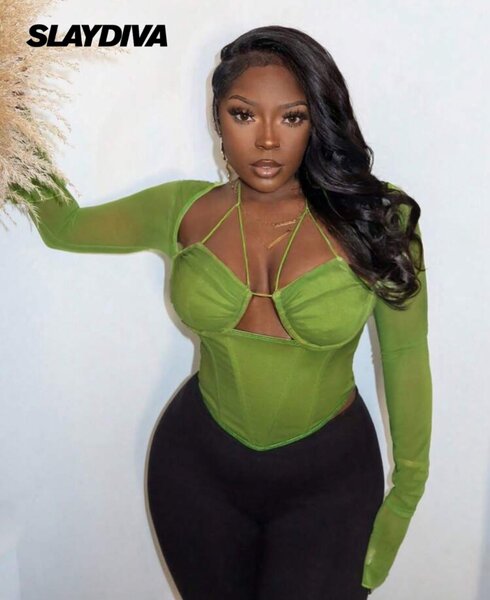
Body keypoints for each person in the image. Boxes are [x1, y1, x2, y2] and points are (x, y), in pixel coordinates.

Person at [8, 25, 432, 600]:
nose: (266, 140)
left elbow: (405, 358)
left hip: (329, 482)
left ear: (317, 121)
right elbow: (64, 227)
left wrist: (406, 496)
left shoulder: (376, 221)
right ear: (217, 119)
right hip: (196, 474)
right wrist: (13, 109)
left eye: (292, 117)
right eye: (243, 114)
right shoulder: (183, 209)